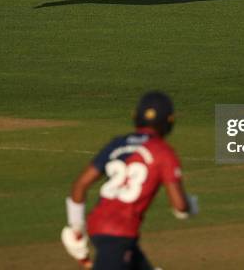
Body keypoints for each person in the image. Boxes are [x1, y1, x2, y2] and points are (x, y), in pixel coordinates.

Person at [60, 91, 198, 270]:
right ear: (169, 121)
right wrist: (190, 206)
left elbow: (80, 185)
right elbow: (180, 206)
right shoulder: (163, 152)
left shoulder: (118, 144)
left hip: (100, 226)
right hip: (119, 233)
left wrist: (76, 227)